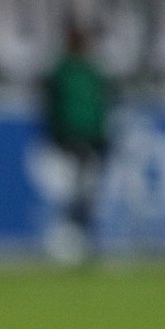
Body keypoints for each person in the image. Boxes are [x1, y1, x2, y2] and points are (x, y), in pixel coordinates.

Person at [42, 23, 113, 265]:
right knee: (75, 194)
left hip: (90, 141)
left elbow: (102, 105)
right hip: (71, 141)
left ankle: (81, 241)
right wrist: (56, 136)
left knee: (85, 195)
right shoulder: (63, 71)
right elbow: (51, 106)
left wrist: (103, 138)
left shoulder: (90, 71)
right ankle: (70, 242)